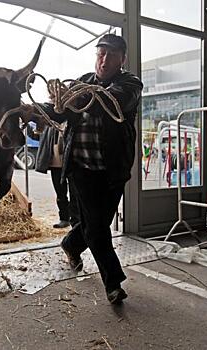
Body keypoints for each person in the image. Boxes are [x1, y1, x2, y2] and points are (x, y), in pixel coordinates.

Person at [38, 34, 143, 304]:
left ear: (123, 59)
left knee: (95, 224)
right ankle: (113, 283)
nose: (103, 59)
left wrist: (73, 95)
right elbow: (62, 112)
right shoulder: (84, 81)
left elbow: (107, 102)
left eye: (110, 54)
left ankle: (71, 244)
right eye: (100, 54)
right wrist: (40, 110)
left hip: (112, 170)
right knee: (97, 228)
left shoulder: (130, 84)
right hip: (81, 168)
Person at [31, 123, 79, 229]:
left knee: (74, 193)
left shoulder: (70, 121)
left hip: (71, 163)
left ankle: (76, 220)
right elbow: (37, 137)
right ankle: (64, 218)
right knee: (60, 193)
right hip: (55, 164)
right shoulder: (50, 124)